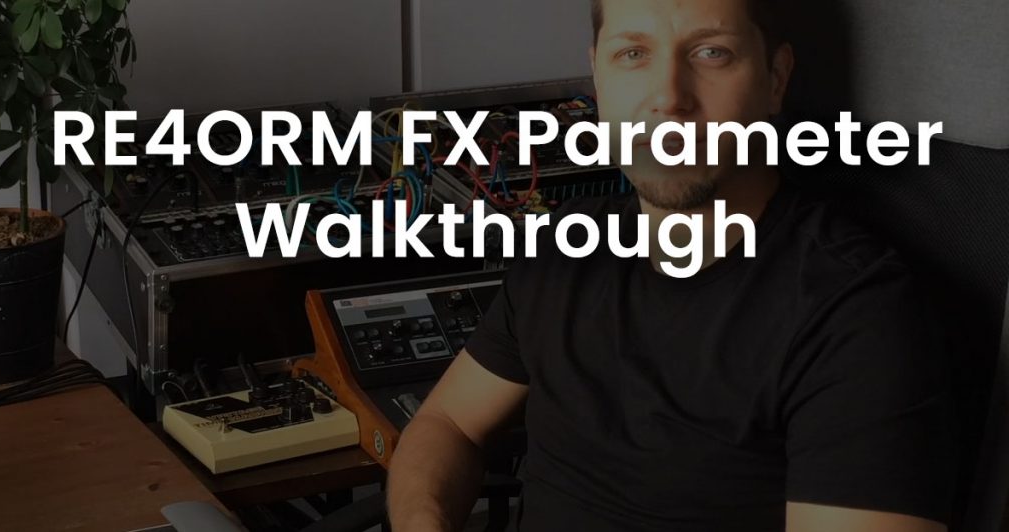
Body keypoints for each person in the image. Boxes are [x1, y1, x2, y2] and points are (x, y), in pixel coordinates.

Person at [387, 0, 955, 530]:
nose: (668, 97)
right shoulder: (566, 244)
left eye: (712, 52)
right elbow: (447, 424)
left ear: (775, 79)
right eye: (633, 53)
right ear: (598, 78)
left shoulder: (856, 310)